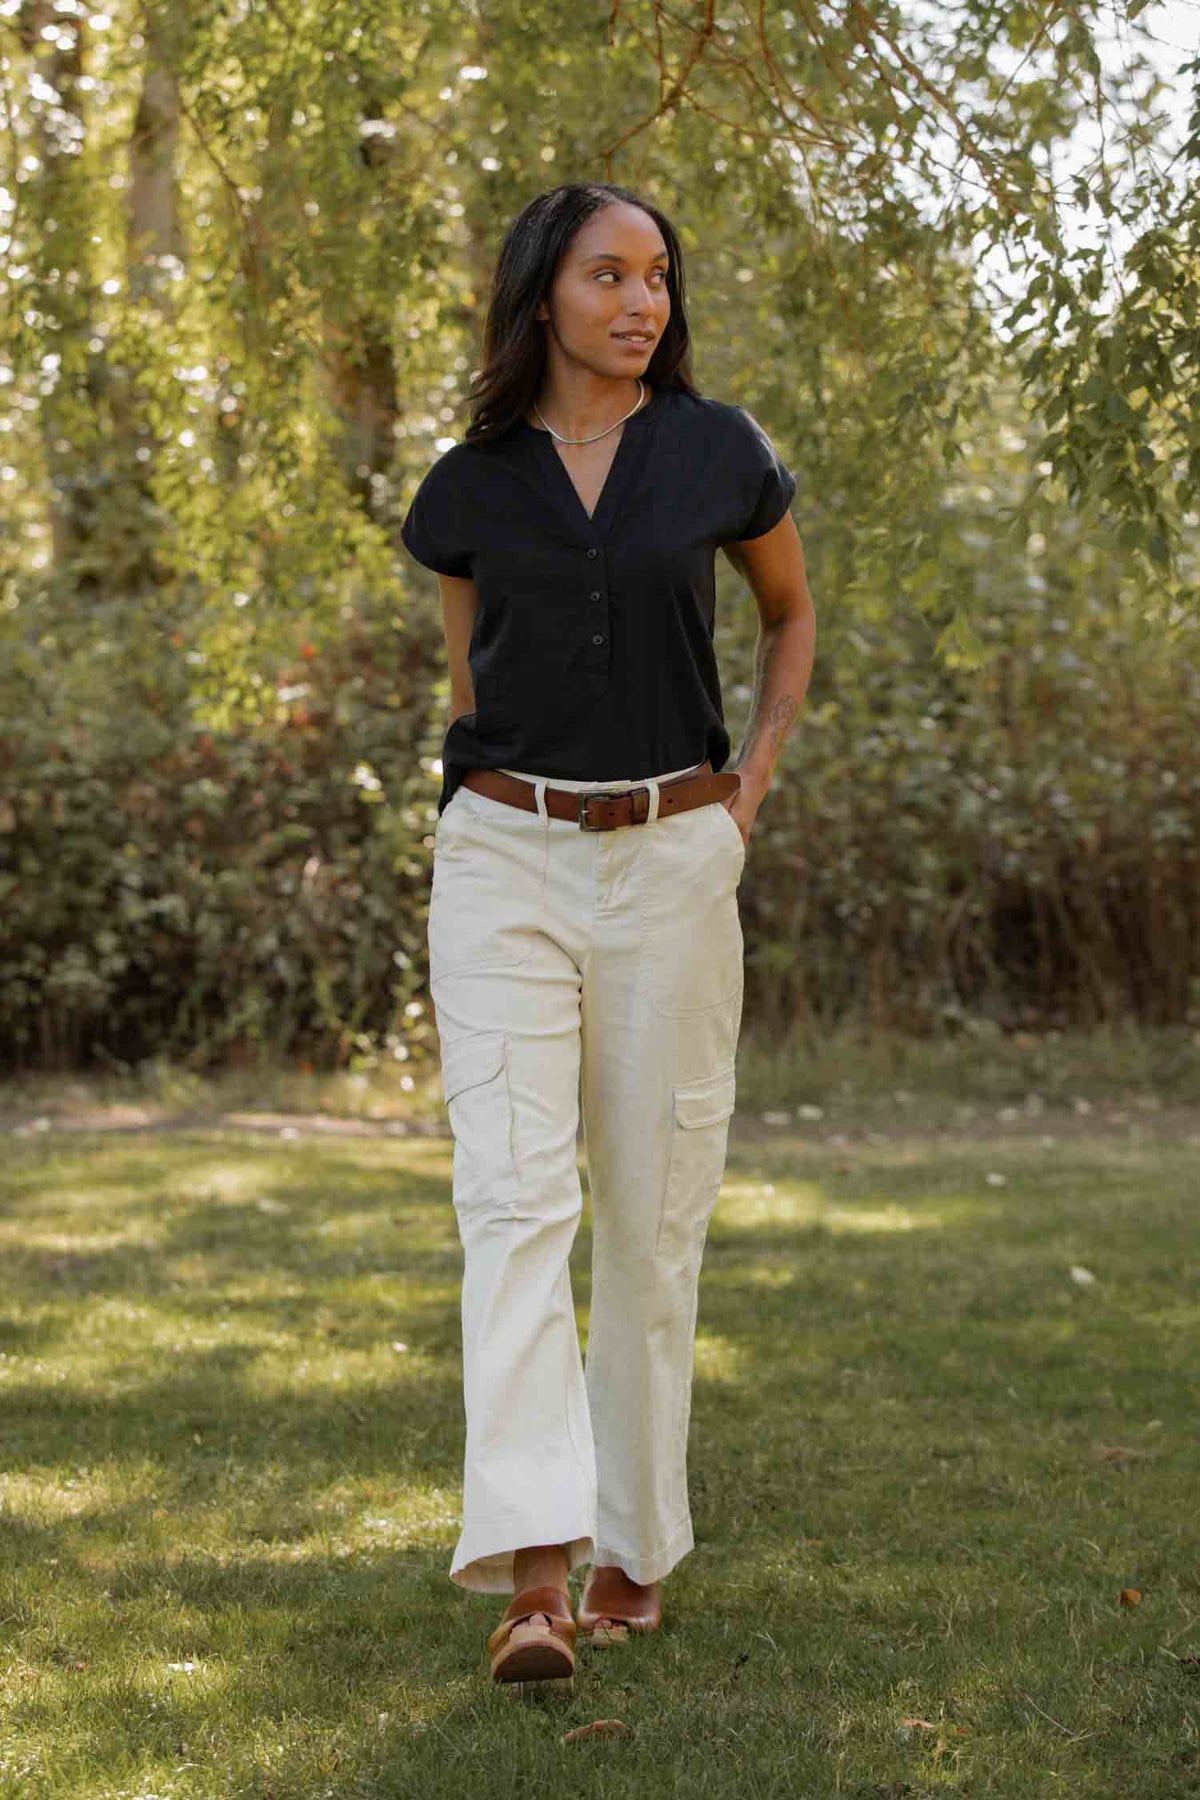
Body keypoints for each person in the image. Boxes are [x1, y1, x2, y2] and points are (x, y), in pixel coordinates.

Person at [400, 180, 815, 1684]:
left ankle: (634, 1544)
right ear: (542, 293)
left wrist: (744, 791)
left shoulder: (718, 450)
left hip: (672, 860)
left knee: (650, 1213)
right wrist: (492, 805)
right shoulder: (468, 485)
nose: (643, 302)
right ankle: (533, 1580)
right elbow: (471, 676)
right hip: (503, 857)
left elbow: (788, 616)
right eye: (609, 275)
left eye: (658, 276)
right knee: (513, 1202)